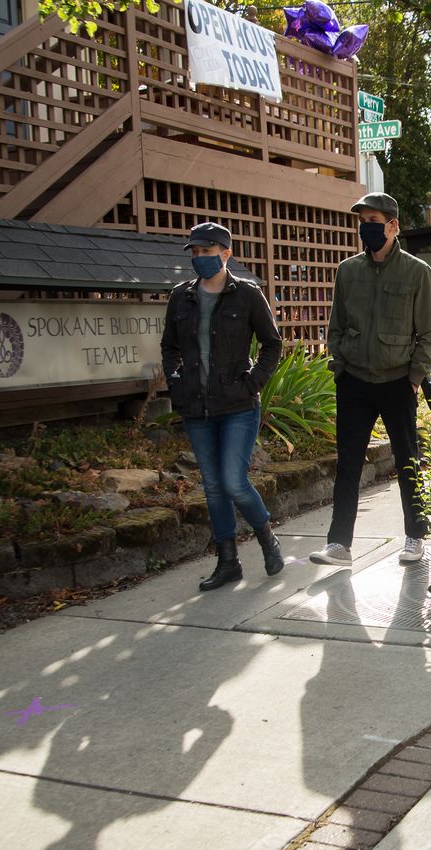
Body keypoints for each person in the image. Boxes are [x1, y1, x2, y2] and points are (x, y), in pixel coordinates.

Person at [310, 192, 431, 567]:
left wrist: (415, 377)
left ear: (393, 225)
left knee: (407, 461)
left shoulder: (417, 272)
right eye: (362, 221)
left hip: (398, 381)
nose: (366, 227)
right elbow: (335, 325)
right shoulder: (348, 270)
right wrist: (339, 365)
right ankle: (339, 544)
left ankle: (416, 536)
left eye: (373, 220)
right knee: (348, 463)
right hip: (353, 381)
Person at [161, 221, 284, 591]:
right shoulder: (180, 297)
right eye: (195, 253)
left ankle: (266, 537)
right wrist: (176, 380)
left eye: (207, 252)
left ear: (226, 253)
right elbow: (169, 346)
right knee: (213, 487)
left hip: (238, 406)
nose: (200, 258)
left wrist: (253, 382)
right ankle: (228, 562)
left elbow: (271, 344)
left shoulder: (246, 295)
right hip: (196, 407)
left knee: (233, 481)